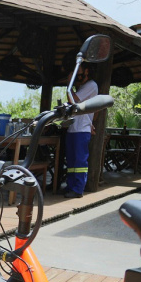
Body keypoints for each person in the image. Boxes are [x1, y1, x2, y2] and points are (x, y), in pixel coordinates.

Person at [63, 64, 98, 199]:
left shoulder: (91, 85)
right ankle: (71, 186)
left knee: (80, 161)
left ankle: (78, 189)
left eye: (78, 70)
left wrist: (69, 84)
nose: (75, 73)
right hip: (73, 128)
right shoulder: (82, 87)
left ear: (87, 71)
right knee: (71, 161)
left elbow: (73, 100)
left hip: (82, 129)